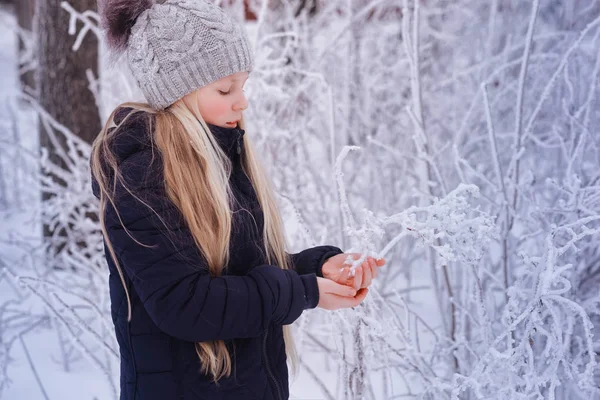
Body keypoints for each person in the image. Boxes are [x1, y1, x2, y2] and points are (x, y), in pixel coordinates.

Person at [90, 1, 385, 399]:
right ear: (177, 92)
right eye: (225, 89)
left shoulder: (222, 157)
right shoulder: (142, 174)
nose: (241, 101)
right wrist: (303, 292)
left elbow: (239, 274)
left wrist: (318, 267)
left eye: (243, 86)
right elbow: (186, 303)